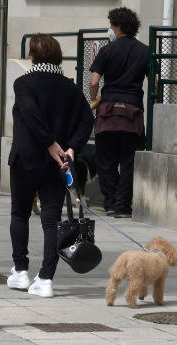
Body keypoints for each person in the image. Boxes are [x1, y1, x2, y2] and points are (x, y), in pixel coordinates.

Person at [7, 34, 94, 298]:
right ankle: (45, 278)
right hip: (58, 165)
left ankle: (21, 271)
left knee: (20, 213)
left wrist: (49, 143)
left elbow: (31, 115)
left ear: (33, 56)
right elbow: (87, 119)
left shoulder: (23, 83)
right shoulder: (69, 87)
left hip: (26, 160)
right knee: (51, 220)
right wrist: (70, 149)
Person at [89, 7, 149, 219]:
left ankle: (111, 203)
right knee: (129, 162)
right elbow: (156, 84)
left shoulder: (107, 51)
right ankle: (123, 206)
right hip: (133, 113)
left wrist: (95, 99)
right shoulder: (145, 51)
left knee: (105, 161)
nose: (110, 29)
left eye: (112, 25)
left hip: (107, 112)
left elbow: (94, 81)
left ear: (119, 27)